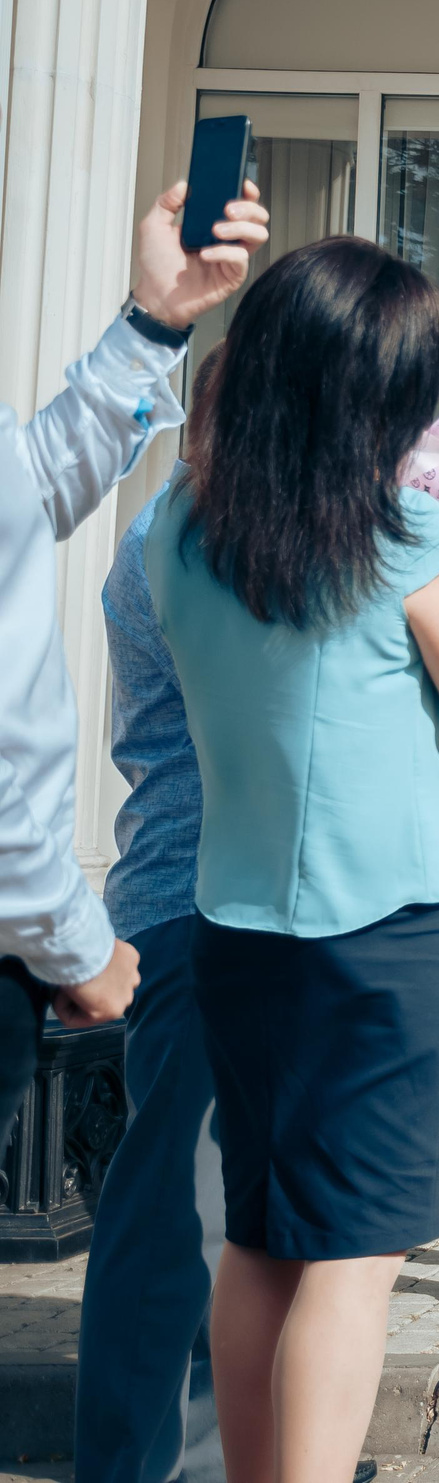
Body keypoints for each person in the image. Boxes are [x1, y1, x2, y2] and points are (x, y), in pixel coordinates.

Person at [146, 236, 439, 1483]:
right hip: (384, 932)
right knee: (358, 1251)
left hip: (238, 918)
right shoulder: (408, 534)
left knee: (263, 1238)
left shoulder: (180, 524)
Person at [0, 179, 265, 1130]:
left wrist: (157, 319)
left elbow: (29, 493)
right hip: (162, 903)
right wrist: (72, 943)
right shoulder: (189, 532)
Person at [75, 353, 228, 1483]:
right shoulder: (177, 537)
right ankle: (136, 1462)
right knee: (179, 1205)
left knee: (230, 1207)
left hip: (231, 897)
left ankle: (236, 1452)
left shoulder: (198, 528)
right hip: (189, 898)